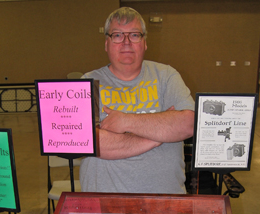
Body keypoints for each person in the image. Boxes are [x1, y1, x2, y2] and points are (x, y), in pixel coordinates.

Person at [80, 7, 195, 194]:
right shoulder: (88, 82)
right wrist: (158, 136)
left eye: (134, 35)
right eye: (117, 35)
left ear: (144, 43)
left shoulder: (166, 76)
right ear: (106, 43)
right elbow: (89, 143)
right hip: (103, 205)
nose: (126, 42)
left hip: (165, 203)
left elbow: (188, 124)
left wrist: (126, 121)